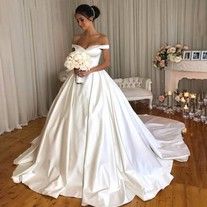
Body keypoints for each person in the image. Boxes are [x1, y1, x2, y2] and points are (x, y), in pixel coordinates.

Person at [12, 4, 190, 207]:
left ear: (91, 19)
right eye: (77, 20)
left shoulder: (102, 38)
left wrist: (89, 70)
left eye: (82, 20)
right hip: (75, 84)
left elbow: (106, 63)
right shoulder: (75, 39)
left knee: (99, 119)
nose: (79, 23)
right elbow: (73, 59)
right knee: (69, 120)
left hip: (96, 82)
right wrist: (76, 67)